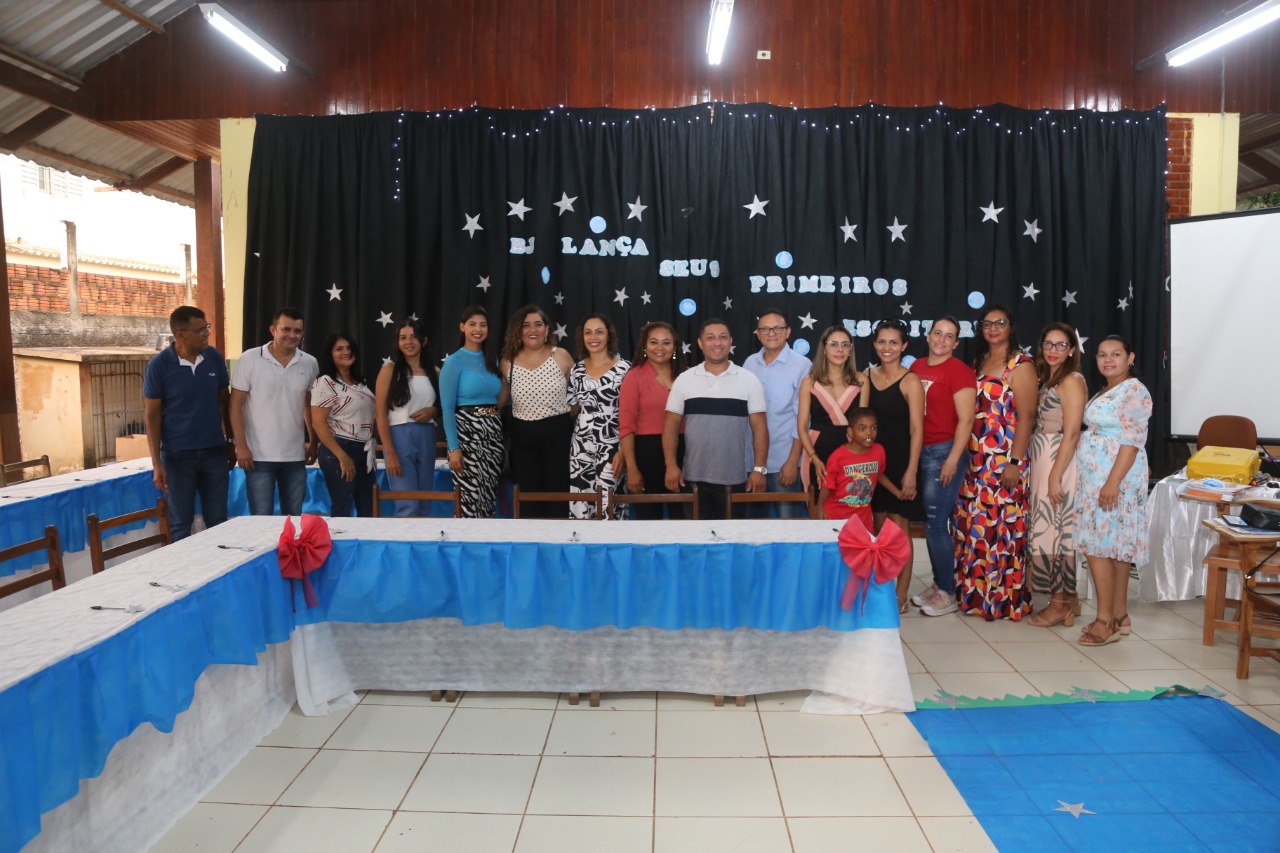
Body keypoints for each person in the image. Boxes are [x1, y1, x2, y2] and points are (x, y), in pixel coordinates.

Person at [953, 306, 1037, 621]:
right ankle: (974, 597)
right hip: (973, 461)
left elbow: (1027, 416)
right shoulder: (976, 362)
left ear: (1011, 326)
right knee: (972, 529)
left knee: (1002, 531)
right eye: (987, 324)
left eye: (1000, 322)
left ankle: (1002, 600)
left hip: (1004, 461)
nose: (993, 328)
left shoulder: (1022, 364)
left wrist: (1015, 461)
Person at [1074, 335, 1152, 646]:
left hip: (1115, 477)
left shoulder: (1134, 390)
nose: (1108, 360)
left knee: (1096, 546)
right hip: (1098, 477)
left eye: (1116, 354)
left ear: (1129, 357)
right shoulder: (1108, 389)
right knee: (1115, 546)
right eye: (1102, 354)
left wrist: (1112, 482)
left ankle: (1103, 619)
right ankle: (1119, 615)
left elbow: (1132, 440)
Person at [143, 306, 233, 541]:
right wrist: (156, 464)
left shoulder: (213, 357)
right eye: (200, 330)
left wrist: (231, 442)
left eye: (207, 328)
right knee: (180, 524)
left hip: (214, 452)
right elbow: (152, 416)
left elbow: (225, 401)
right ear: (181, 334)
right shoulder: (159, 366)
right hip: (177, 457)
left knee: (218, 521)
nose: (206, 334)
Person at [664, 319, 768, 520]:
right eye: (710, 338)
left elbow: (760, 428)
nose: (717, 343)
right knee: (695, 544)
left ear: (731, 341)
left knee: (732, 544)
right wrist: (670, 465)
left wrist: (759, 469)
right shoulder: (684, 379)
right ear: (700, 343)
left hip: (734, 481)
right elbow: (670, 426)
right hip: (692, 480)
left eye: (722, 337)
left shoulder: (748, 380)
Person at [909, 316, 977, 617]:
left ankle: (948, 592)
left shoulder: (960, 372)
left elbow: (966, 420)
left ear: (956, 343)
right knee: (928, 523)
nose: (942, 339)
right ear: (928, 335)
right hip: (920, 451)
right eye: (938, 333)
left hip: (944, 451)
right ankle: (939, 584)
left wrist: (952, 459)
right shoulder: (916, 367)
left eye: (949, 336)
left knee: (937, 524)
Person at [860, 319, 925, 612]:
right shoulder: (866, 377)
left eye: (894, 342)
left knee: (900, 530)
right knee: (877, 528)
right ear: (874, 344)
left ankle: (901, 595)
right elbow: (860, 423)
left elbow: (917, 430)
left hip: (901, 464)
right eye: (882, 342)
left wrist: (911, 471)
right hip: (873, 466)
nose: (887, 348)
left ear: (904, 346)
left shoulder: (911, 381)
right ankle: (882, 587)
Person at [1025, 324, 1087, 629]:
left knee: (1058, 530)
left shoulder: (1072, 380)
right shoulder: (1050, 378)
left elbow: (1072, 431)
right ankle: (1068, 598)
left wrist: (1055, 476)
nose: (1053, 350)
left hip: (1058, 459)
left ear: (1072, 350)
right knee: (1045, 527)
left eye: (1061, 345)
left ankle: (1060, 603)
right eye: (1048, 344)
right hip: (1042, 455)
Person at [230, 307, 319, 516]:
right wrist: (241, 446)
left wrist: (314, 441)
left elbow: (309, 406)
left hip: (295, 457)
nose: (292, 335)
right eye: (286, 329)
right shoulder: (249, 359)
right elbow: (235, 406)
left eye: (297, 331)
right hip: (258, 456)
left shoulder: (310, 362)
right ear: (273, 329)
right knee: (261, 521)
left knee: (293, 520)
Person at [501, 305, 575, 518]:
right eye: (526, 325)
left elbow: (581, 396)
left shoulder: (561, 356)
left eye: (538, 324)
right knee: (527, 499)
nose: (532, 330)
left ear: (547, 329)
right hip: (523, 439)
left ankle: (559, 546)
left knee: (558, 496)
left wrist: (563, 414)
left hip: (559, 436)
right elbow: (501, 401)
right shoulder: (508, 363)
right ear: (518, 331)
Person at [742, 309, 811, 517]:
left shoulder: (803, 365)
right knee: (754, 531)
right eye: (765, 329)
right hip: (752, 463)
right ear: (758, 333)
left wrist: (793, 461)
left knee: (788, 529)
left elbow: (804, 419)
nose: (771, 333)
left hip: (785, 461)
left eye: (778, 328)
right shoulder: (749, 364)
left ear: (788, 332)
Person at [439, 305, 505, 518]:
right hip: (466, 435)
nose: (478, 329)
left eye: (483, 325)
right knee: (469, 499)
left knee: (487, 497)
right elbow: (447, 409)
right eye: (473, 324)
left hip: (492, 436)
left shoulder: (492, 359)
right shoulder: (454, 362)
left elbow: (498, 397)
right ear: (462, 327)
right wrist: (453, 449)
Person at [619, 321, 688, 519]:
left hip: (684, 453)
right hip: (646, 454)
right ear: (644, 346)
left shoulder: (688, 375)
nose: (660, 348)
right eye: (653, 342)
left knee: (682, 517)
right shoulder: (634, 377)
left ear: (675, 346)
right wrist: (632, 468)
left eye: (666, 343)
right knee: (649, 519)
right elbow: (626, 426)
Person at [567, 314, 631, 519]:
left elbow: (630, 414)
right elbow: (572, 408)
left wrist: (623, 451)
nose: (593, 337)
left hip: (613, 443)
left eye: (599, 331)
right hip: (581, 445)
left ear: (609, 336)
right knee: (581, 502)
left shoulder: (625, 368)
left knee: (609, 502)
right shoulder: (576, 370)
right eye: (588, 332)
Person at [375, 320, 441, 516]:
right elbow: (380, 413)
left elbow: (443, 406)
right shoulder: (389, 370)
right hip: (398, 435)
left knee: (425, 500)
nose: (408, 342)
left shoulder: (435, 372)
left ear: (424, 340)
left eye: (413, 336)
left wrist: (433, 411)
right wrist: (390, 452)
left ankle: (423, 545)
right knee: (408, 504)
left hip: (427, 435)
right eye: (403, 337)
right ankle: (405, 546)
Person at [310, 332, 377, 518]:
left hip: (365, 450)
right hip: (339, 449)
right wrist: (342, 456)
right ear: (330, 354)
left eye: (349, 348)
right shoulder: (326, 382)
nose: (346, 352)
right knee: (342, 508)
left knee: (368, 510)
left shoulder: (361, 382)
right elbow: (318, 423)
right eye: (339, 349)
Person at [797, 326, 862, 493]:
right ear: (824, 349)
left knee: (849, 509)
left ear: (850, 350)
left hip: (851, 454)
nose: (840, 349)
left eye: (845, 344)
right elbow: (802, 427)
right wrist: (814, 458)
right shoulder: (809, 382)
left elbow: (863, 425)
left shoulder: (861, 380)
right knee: (818, 512)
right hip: (816, 454)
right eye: (833, 344)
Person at [816, 408, 886, 530]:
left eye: (874, 428)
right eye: (862, 429)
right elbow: (827, 484)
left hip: (862, 520)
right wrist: (820, 506)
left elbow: (880, 475)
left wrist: (898, 493)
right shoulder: (838, 456)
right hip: (836, 517)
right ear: (851, 432)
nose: (869, 433)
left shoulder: (879, 451)